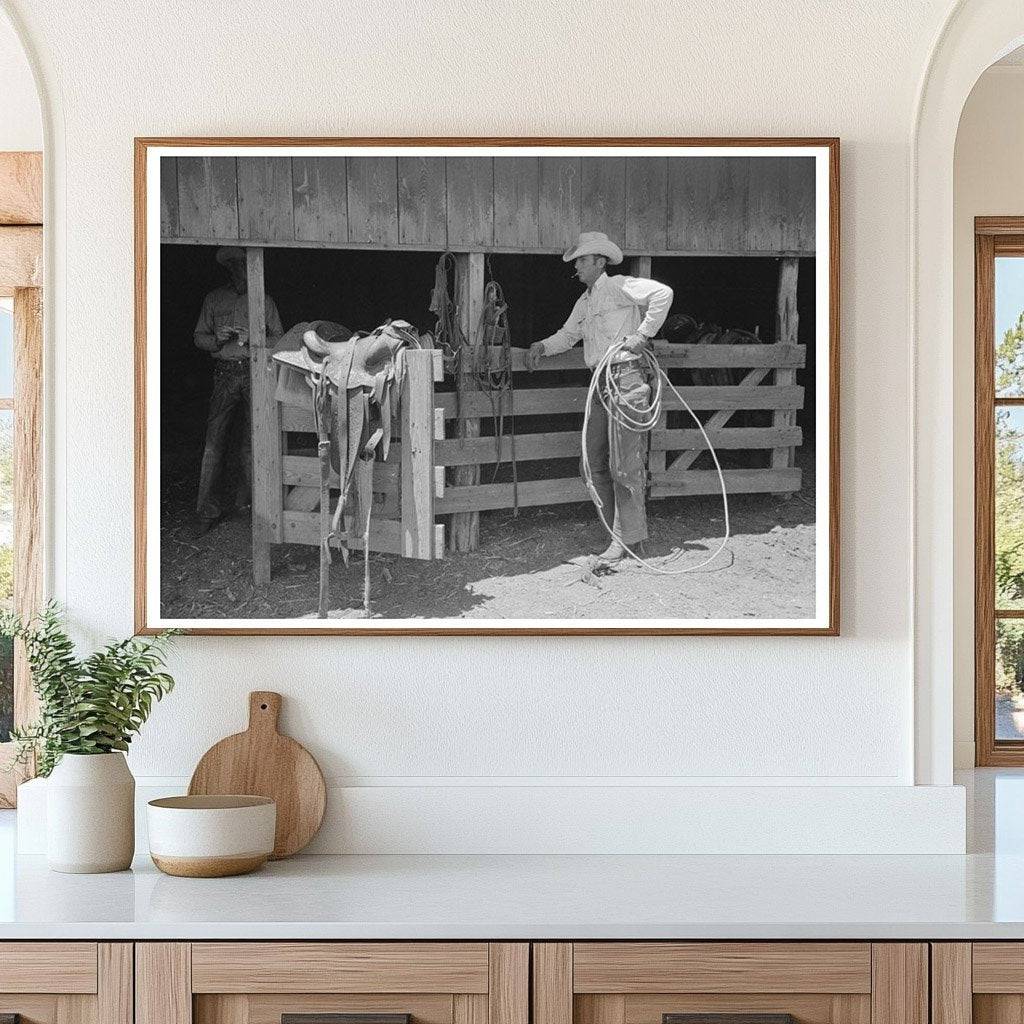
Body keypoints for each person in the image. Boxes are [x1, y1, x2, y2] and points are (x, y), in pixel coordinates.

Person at [526, 231, 673, 562]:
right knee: (591, 463)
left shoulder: (620, 286)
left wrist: (641, 335)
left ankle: (628, 540)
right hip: (600, 383)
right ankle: (614, 534)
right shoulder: (586, 301)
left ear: (599, 261)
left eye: (581, 260)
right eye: (576, 261)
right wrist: (542, 347)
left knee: (623, 465)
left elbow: (664, 294)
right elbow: (569, 335)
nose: (576, 267)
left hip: (626, 378)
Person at [192, 246, 283, 534]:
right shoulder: (214, 299)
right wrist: (216, 339)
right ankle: (206, 512)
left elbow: (281, 339)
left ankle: (253, 508)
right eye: (233, 265)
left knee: (252, 443)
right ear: (227, 269)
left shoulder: (265, 300)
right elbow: (198, 338)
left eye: (242, 264)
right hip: (225, 374)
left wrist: (255, 339)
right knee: (213, 445)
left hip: (255, 373)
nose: (238, 270)